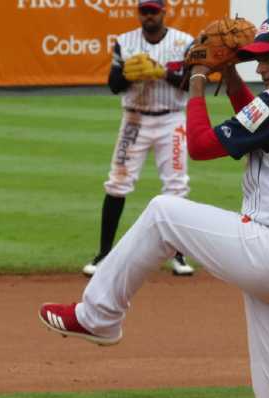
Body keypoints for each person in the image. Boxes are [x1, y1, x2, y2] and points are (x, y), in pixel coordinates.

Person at [41, 16, 269, 398]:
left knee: (163, 212)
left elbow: (203, 145)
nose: (260, 70)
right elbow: (258, 122)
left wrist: (196, 83)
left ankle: (99, 316)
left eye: (268, 59)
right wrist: (229, 78)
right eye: (255, 61)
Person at [83, 0, 195, 277]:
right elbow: (113, 86)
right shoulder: (125, 42)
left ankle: (178, 256)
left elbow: (189, 82)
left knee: (176, 187)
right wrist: (128, 75)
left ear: (163, 12)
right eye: (143, 11)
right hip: (135, 119)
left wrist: (162, 72)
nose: (148, 16)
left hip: (172, 119)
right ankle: (103, 255)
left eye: (153, 11)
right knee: (118, 182)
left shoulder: (184, 42)